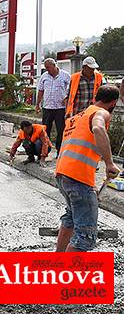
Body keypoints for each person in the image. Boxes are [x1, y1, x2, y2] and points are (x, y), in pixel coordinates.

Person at [54, 85, 121, 252]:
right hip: (78, 178)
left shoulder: (76, 118)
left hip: (62, 175)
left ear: (96, 97)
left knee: (70, 218)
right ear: (113, 103)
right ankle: (66, 275)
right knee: (85, 237)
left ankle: (56, 263)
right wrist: (109, 163)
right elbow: (98, 129)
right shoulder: (101, 113)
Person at [35, 58, 71, 155]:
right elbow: (41, 91)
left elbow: (72, 89)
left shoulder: (65, 75)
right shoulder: (44, 76)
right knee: (45, 130)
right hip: (47, 107)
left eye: (48, 67)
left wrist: (67, 98)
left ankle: (60, 151)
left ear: (54, 66)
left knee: (61, 130)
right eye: (46, 68)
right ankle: (45, 150)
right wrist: (37, 104)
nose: (47, 69)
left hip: (60, 108)